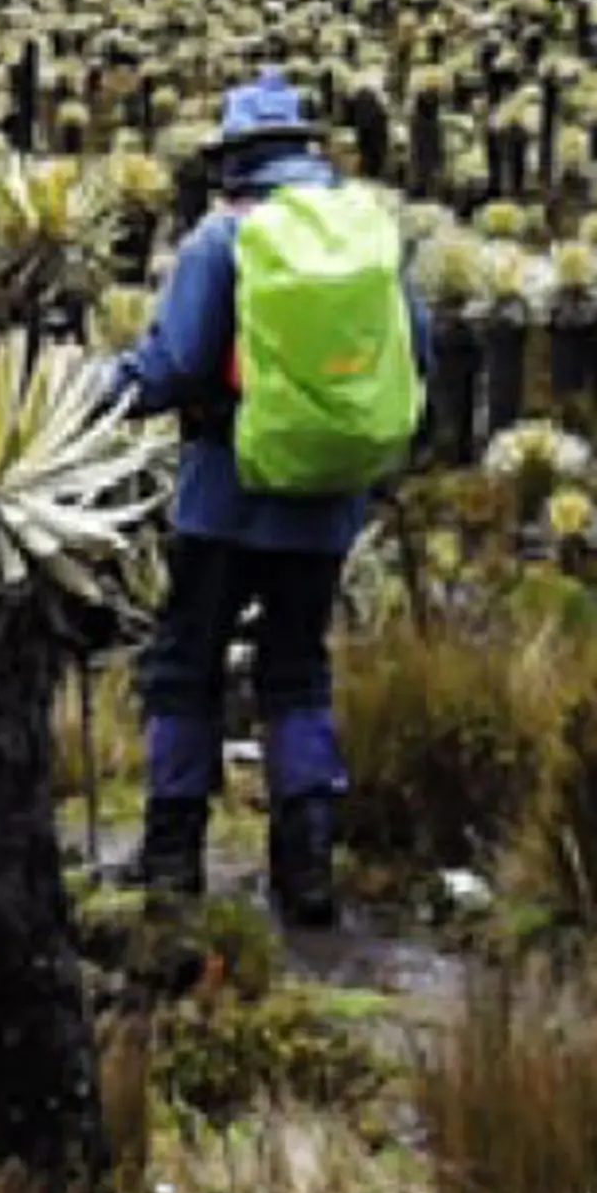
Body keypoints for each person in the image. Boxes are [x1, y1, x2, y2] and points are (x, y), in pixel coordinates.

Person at [103, 73, 431, 928]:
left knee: (186, 669)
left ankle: (174, 864)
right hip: (327, 500)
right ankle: (307, 868)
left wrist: (88, 394)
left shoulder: (222, 240)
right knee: (296, 669)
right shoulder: (368, 232)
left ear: (233, 161)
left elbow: (172, 366)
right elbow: (418, 353)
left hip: (223, 497)